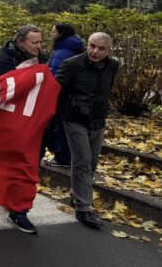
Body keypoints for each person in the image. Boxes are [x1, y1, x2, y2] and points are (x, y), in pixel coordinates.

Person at [57, 32, 119, 230]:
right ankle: (83, 208)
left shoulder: (113, 65)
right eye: (92, 46)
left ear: (109, 51)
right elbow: (56, 90)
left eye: (101, 48)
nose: (95, 51)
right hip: (74, 119)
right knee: (82, 161)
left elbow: (106, 89)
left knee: (91, 162)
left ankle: (76, 195)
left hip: (97, 120)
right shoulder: (72, 64)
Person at [0, 25, 48, 234]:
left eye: (40, 42)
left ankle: (20, 211)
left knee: (29, 163)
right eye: (34, 42)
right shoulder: (5, 58)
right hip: (11, 122)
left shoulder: (43, 58)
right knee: (12, 163)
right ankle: (12, 203)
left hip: (34, 121)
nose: (39, 46)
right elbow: (2, 86)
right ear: (20, 42)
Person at [43, 23, 84, 167]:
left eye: (53, 32)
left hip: (61, 94)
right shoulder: (70, 47)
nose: (51, 34)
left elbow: (55, 73)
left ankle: (63, 157)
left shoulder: (64, 50)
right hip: (68, 94)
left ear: (62, 33)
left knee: (60, 126)